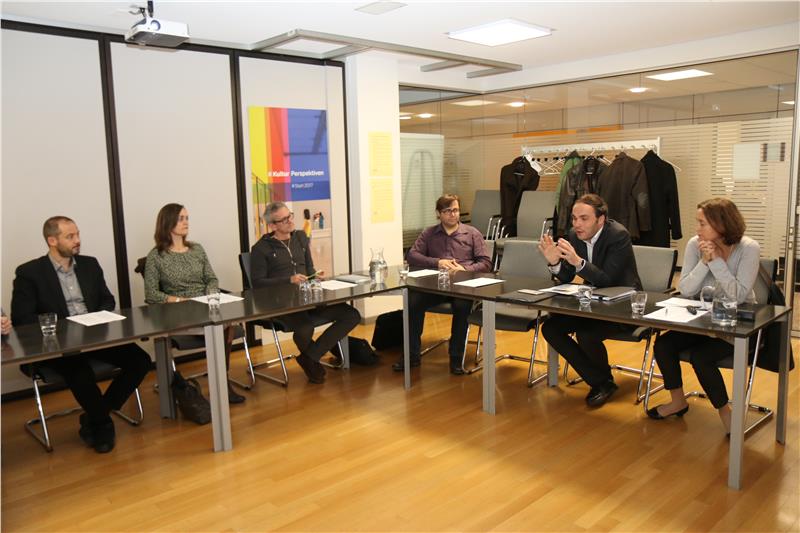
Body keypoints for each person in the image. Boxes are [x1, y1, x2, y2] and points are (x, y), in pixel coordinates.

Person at [11, 216, 151, 453]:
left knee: (140, 360)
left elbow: (107, 300)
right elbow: (22, 318)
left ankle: (95, 415)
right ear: (52, 240)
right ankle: (103, 424)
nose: (77, 240)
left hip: (96, 336)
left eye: (77, 234)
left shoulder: (89, 264)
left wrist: (95, 319)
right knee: (80, 373)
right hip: (59, 345)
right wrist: (66, 327)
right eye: (70, 236)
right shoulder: (30, 272)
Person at [650, 198, 759, 433]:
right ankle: (678, 401)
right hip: (702, 320)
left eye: (702, 224)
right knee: (664, 345)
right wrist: (704, 262)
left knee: (701, 358)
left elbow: (738, 295)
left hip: (735, 324)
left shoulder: (748, 248)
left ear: (722, 224)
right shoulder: (694, 244)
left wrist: (717, 262)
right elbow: (686, 289)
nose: (697, 229)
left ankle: (725, 412)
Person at [539, 193, 642, 407]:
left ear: (600, 219)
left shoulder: (618, 236)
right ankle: (601, 381)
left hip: (623, 306)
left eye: (584, 218)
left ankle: (601, 383)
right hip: (592, 304)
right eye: (574, 218)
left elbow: (607, 280)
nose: (577, 224)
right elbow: (566, 276)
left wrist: (578, 262)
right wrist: (554, 263)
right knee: (550, 328)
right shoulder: (574, 235)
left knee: (587, 334)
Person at [144, 203, 246, 405]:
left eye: (187, 218)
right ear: (168, 222)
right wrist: (178, 300)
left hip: (205, 305)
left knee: (227, 322)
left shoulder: (197, 249)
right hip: (178, 312)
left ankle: (221, 380)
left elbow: (211, 278)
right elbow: (151, 294)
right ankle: (221, 382)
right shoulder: (156, 256)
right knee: (222, 326)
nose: (186, 222)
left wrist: (211, 295)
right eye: (181, 218)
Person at [250, 201, 360, 384]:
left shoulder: (300, 237)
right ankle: (312, 359)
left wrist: (315, 276)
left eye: (290, 216)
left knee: (351, 315)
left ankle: (310, 357)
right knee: (305, 328)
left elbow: (309, 267)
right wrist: (288, 280)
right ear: (272, 226)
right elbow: (257, 283)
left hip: (309, 298)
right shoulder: (261, 249)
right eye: (284, 219)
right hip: (282, 304)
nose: (290, 221)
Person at [394, 194, 492, 375]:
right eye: (447, 211)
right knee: (413, 301)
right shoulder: (429, 233)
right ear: (438, 213)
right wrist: (437, 262)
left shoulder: (472, 234)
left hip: (463, 287)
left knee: (462, 306)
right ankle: (411, 354)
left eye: (455, 210)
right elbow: (412, 256)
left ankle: (456, 357)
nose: (453, 214)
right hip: (436, 286)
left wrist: (464, 268)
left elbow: (486, 263)